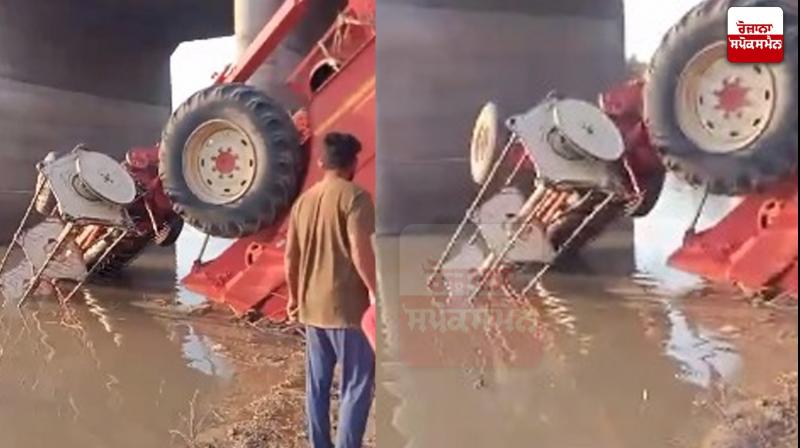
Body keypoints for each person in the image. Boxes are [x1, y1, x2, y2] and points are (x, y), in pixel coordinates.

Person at [285, 132, 376, 448]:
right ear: (354, 164)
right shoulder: (357, 198)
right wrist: (377, 293)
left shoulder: (303, 202)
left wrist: (294, 298)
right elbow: (360, 251)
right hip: (348, 310)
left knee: (317, 386)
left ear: (322, 162)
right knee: (356, 384)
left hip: (312, 308)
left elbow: (290, 257)